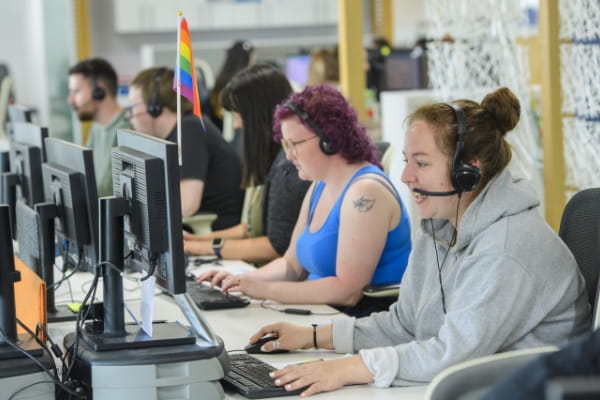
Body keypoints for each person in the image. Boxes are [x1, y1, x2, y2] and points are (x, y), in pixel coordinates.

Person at [247, 87, 591, 397]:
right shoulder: (440, 224)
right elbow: (404, 323)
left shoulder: (507, 246)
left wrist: (349, 368)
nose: (405, 177)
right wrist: (312, 335)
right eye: (406, 161)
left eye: (422, 163)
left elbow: (452, 354)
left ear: (467, 171)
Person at [197, 84, 412, 317]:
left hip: (357, 321)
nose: (289, 156)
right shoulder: (320, 185)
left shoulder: (365, 193)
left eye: (295, 144)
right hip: (325, 315)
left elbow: (347, 291)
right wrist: (241, 280)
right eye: (285, 145)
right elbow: (291, 265)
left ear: (329, 139)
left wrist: (265, 290)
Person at [183, 64, 311, 264]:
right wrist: (198, 240)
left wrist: (199, 248)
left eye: (238, 114)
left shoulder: (289, 167)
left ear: (256, 114)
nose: (236, 124)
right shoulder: (274, 160)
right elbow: (251, 228)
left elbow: (276, 246)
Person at [127, 67, 244, 230]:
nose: (129, 115)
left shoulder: (190, 130)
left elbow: (187, 206)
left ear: (155, 106)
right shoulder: (174, 136)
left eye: (133, 107)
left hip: (213, 234)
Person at [67, 57, 132, 197]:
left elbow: (105, 192)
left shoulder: (127, 130)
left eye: (76, 92)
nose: (70, 100)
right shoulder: (96, 128)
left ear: (99, 91)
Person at [206, 40, 256, 131]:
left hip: (217, 132)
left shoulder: (219, 84)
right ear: (247, 60)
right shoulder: (244, 85)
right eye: (253, 59)